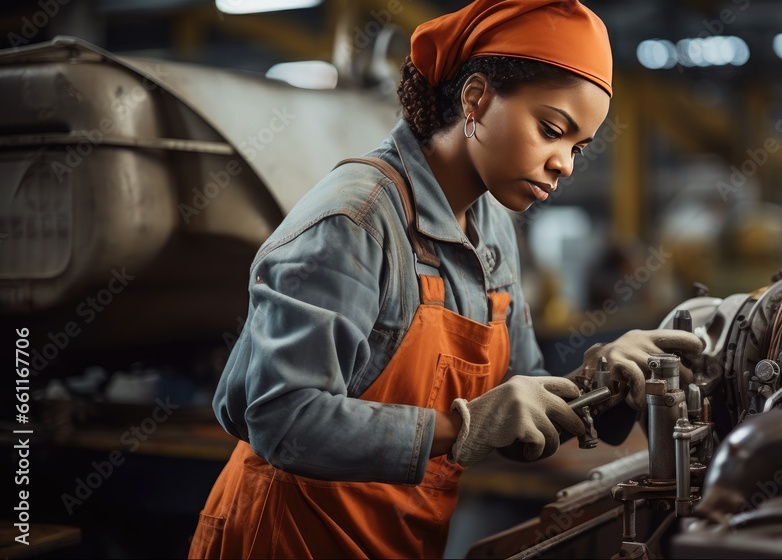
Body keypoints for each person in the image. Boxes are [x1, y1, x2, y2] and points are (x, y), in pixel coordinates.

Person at [188, 1, 703, 558]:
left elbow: (517, 402)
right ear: (476, 97)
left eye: (576, 147)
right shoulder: (356, 222)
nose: (566, 164)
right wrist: (464, 427)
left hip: (397, 540)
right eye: (551, 130)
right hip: (285, 537)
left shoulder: (495, 229)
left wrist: (598, 378)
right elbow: (279, 416)